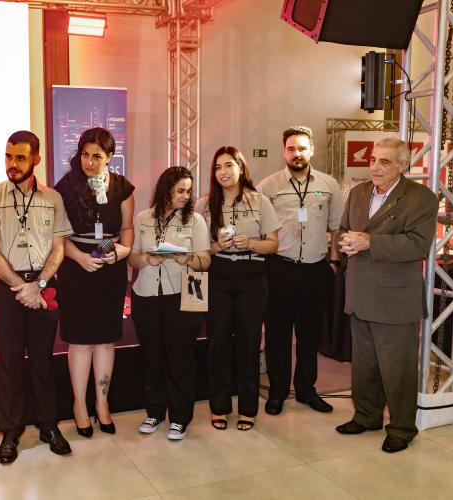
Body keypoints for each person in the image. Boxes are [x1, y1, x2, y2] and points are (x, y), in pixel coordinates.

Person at [0, 130, 73, 464]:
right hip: (8, 289)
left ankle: (48, 426)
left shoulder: (53, 199)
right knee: (10, 362)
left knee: (43, 360)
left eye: (20, 158)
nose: (12, 164)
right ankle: (10, 431)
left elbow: (58, 248)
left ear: (36, 159)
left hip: (44, 287)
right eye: (8, 156)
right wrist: (21, 287)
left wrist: (39, 285)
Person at [335, 137, 438, 453]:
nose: (375, 167)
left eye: (385, 161)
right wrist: (343, 243)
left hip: (395, 300)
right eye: (373, 160)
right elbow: (343, 229)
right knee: (363, 365)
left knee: (397, 370)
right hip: (360, 293)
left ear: (403, 165)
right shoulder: (358, 193)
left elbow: (418, 244)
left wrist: (369, 242)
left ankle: (402, 428)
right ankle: (366, 416)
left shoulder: (421, 198)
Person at [257, 126, 343, 416]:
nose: (297, 153)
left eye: (302, 148)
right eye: (291, 148)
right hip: (279, 269)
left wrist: (333, 263)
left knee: (310, 335)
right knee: (277, 335)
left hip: (316, 271)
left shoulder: (329, 185)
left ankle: (307, 389)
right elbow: (259, 228)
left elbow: (336, 228)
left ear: (312, 150)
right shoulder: (268, 186)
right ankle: (278, 391)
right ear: (284, 152)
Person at [54, 128, 134, 437]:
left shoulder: (122, 187)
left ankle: (102, 403)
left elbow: (127, 228)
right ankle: (79, 405)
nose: (88, 162)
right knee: (80, 340)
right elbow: (57, 235)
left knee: (106, 339)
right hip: (76, 268)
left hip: (110, 268)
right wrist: (78, 257)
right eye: (85, 155)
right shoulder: (66, 186)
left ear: (110, 157)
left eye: (96, 156)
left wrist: (122, 251)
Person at [196, 146, 280, 431]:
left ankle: (248, 409)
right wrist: (216, 246)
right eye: (218, 167)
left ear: (241, 168)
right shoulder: (204, 204)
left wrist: (251, 243)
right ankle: (219, 407)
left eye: (229, 165)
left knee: (249, 344)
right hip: (218, 276)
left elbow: (273, 244)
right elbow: (197, 248)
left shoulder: (260, 201)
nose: (223, 172)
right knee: (217, 344)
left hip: (252, 277)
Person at [128, 166, 211, 440]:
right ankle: (154, 412)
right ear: (165, 190)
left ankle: (179, 417)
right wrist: (146, 259)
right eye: (180, 191)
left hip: (184, 296)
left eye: (188, 191)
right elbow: (133, 259)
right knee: (152, 357)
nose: (186, 196)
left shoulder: (195, 220)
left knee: (180, 358)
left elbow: (206, 261)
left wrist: (189, 259)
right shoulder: (143, 218)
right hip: (146, 295)